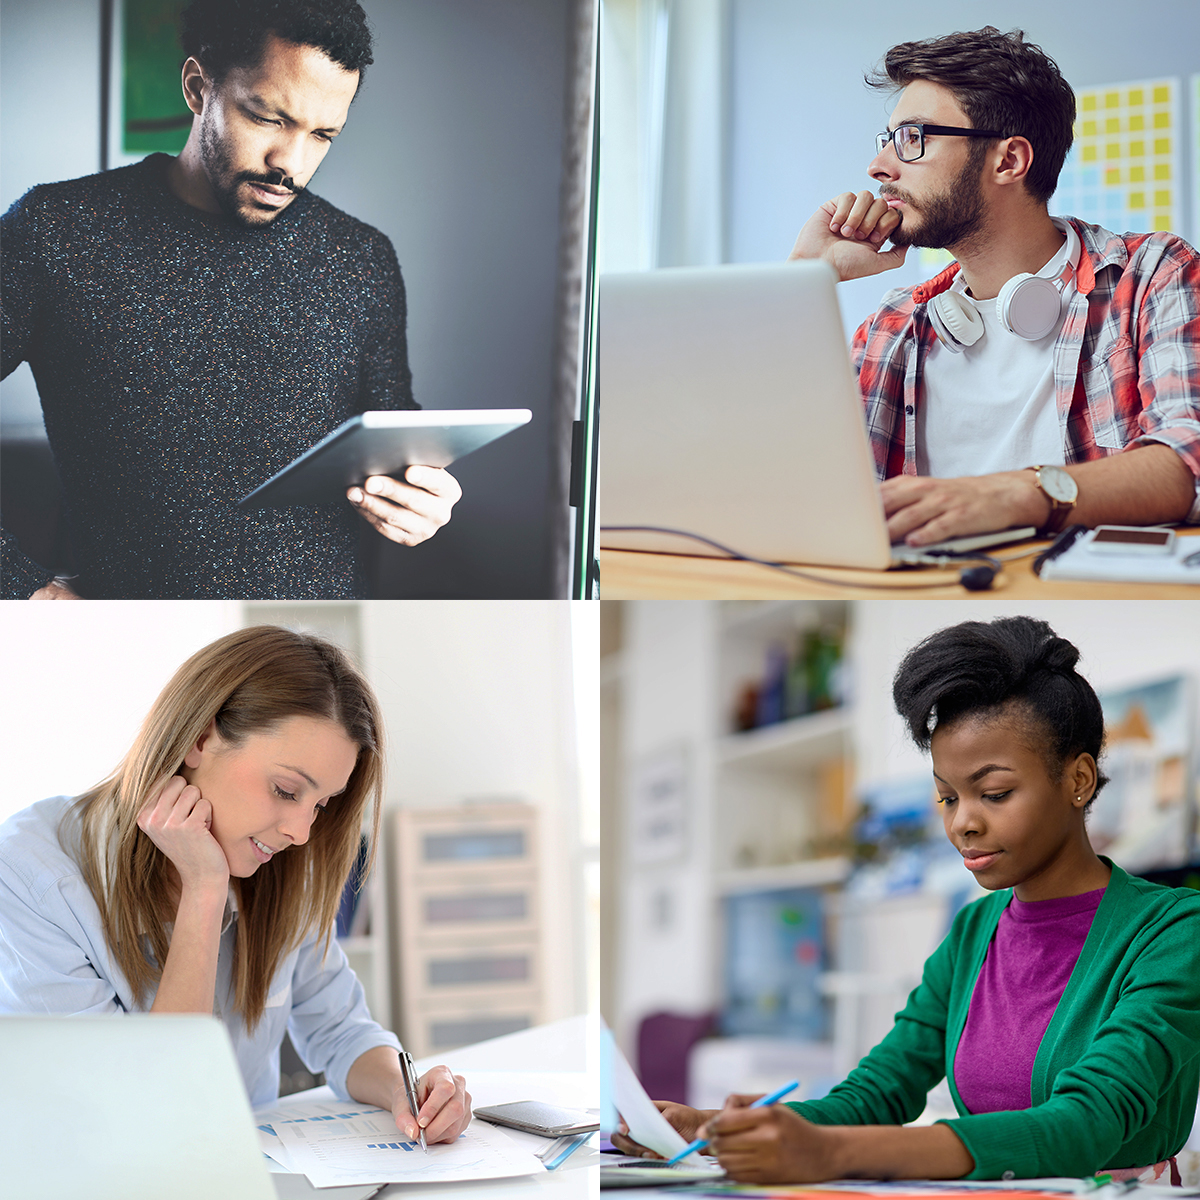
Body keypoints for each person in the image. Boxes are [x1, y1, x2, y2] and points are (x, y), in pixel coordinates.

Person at [614, 616, 1200, 1183]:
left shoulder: (1173, 932)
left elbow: (1085, 1126)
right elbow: (880, 1090)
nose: (963, 824)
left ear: (1078, 780)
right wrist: (714, 1127)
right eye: (948, 798)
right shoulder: (975, 932)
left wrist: (832, 1153)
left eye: (994, 793)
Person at [1, 0, 462, 600]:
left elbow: (392, 432)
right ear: (198, 87)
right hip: (120, 639)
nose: (290, 165)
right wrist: (20, 588)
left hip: (310, 634)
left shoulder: (361, 259)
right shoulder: (56, 231)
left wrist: (420, 497)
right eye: (268, 118)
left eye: (322, 135)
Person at [0, 625, 472, 1142]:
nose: (300, 831)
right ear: (201, 738)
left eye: (321, 804)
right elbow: (146, 1106)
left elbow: (341, 1032)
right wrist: (203, 889)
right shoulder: (32, 872)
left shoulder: (278, 859)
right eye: (285, 789)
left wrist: (406, 1091)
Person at [788, 28, 1200, 549]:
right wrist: (805, 276)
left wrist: (1011, 495)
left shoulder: (1151, 276)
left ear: (1008, 161)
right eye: (887, 140)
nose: (879, 167)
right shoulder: (891, 330)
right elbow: (797, 492)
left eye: (913, 138)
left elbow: (1188, 460)